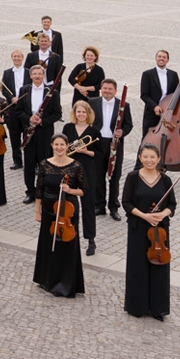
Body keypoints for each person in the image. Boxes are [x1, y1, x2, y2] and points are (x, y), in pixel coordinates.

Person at [122, 144, 175, 320]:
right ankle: (138, 306)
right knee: (138, 266)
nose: (149, 160)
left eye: (152, 157)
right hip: (139, 227)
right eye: (146, 157)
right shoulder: (133, 177)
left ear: (158, 159)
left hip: (160, 231)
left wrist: (162, 214)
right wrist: (145, 216)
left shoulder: (166, 180)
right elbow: (127, 203)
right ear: (140, 158)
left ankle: (157, 308)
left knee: (159, 267)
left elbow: (172, 205)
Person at [32, 133, 86, 298]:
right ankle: (47, 280)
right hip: (49, 209)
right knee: (48, 244)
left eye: (62, 144)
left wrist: (70, 190)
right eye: (56, 144)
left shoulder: (76, 166)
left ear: (67, 145)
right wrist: (37, 210)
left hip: (68, 210)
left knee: (67, 246)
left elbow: (84, 191)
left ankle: (66, 282)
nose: (59, 147)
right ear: (52, 146)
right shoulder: (44, 165)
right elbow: (39, 189)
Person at [63, 100, 101, 255]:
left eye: (84, 112)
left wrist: (86, 151)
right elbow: (61, 147)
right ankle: (68, 233)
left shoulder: (94, 131)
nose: (81, 114)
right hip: (70, 168)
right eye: (78, 111)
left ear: (88, 114)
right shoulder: (67, 128)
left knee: (88, 205)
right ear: (75, 113)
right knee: (68, 203)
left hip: (87, 169)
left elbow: (99, 154)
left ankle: (91, 240)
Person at [21, 64, 62, 203]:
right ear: (30, 76)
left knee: (44, 162)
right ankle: (30, 192)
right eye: (35, 74)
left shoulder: (52, 92)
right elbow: (18, 111)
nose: (37, 76)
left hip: (45, 133)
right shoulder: (24, 90)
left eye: (40, 74)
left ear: (43, 76)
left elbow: (57, 114)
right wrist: (29, 118)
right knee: (29, 163)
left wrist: (42, 121)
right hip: (29, 131)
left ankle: (43, 191)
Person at [95, 78, 133, 220]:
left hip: (115, 145)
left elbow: (128, 125)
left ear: (115, 91)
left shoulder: (124, 105)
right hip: (98, 144)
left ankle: (113, 207)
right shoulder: (93, 103)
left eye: (110, 89)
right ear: (101, 89)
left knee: (114, 177)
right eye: (105, 88)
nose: (107, 91)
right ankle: (99, 205)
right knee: (98, 177)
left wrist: (122, 132)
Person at [139, 50, 180, 132]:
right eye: (159, 56)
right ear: (156, 58)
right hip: (152, 112)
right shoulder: (147, 74)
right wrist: (155, 106)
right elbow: (144, 95)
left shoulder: (173, 74)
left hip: (169, 112)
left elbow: (177, 93)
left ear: (167, 60)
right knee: (148, 138)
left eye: (164, 57)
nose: (161, 59)